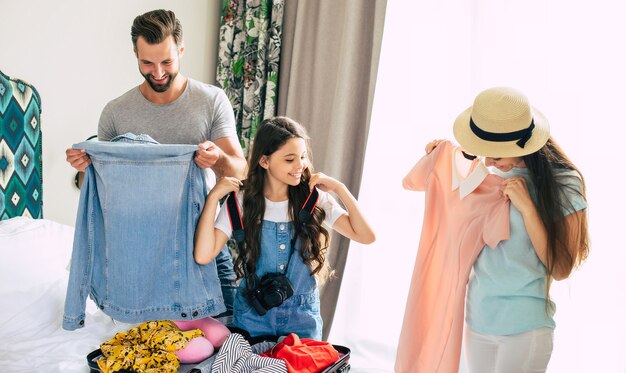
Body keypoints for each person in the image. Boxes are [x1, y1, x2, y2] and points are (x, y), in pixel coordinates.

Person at [64, 9, 246, 362]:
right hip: (139, 255)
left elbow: (240, 168)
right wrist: (84, 168)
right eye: (147, 63)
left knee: (229, 346)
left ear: (181, 50)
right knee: (171, 354)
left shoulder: (210, 100)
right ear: (135, 55)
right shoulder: (116, 112)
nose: (158, 73)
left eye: (166, 61)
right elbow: (100, 187)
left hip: (201, 245)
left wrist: (217, 160)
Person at [428, 86, 589, 373]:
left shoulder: (565, 184)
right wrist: (441, 159)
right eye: (484, 154)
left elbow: (562, 268)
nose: (488, 163)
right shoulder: (487, 175)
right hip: (476, 322)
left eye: (496, 157)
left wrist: (528, 209)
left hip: (524, 328)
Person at [193, 116, 376, 340]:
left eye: (302, 157)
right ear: (264, 161)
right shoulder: (242, 202)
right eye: (290, 159)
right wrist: (213, 197)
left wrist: (340, 189)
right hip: (253, 314)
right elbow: (203, 255)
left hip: (302, 316)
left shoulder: (314, 199)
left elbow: (366, 236)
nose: (300, 166)